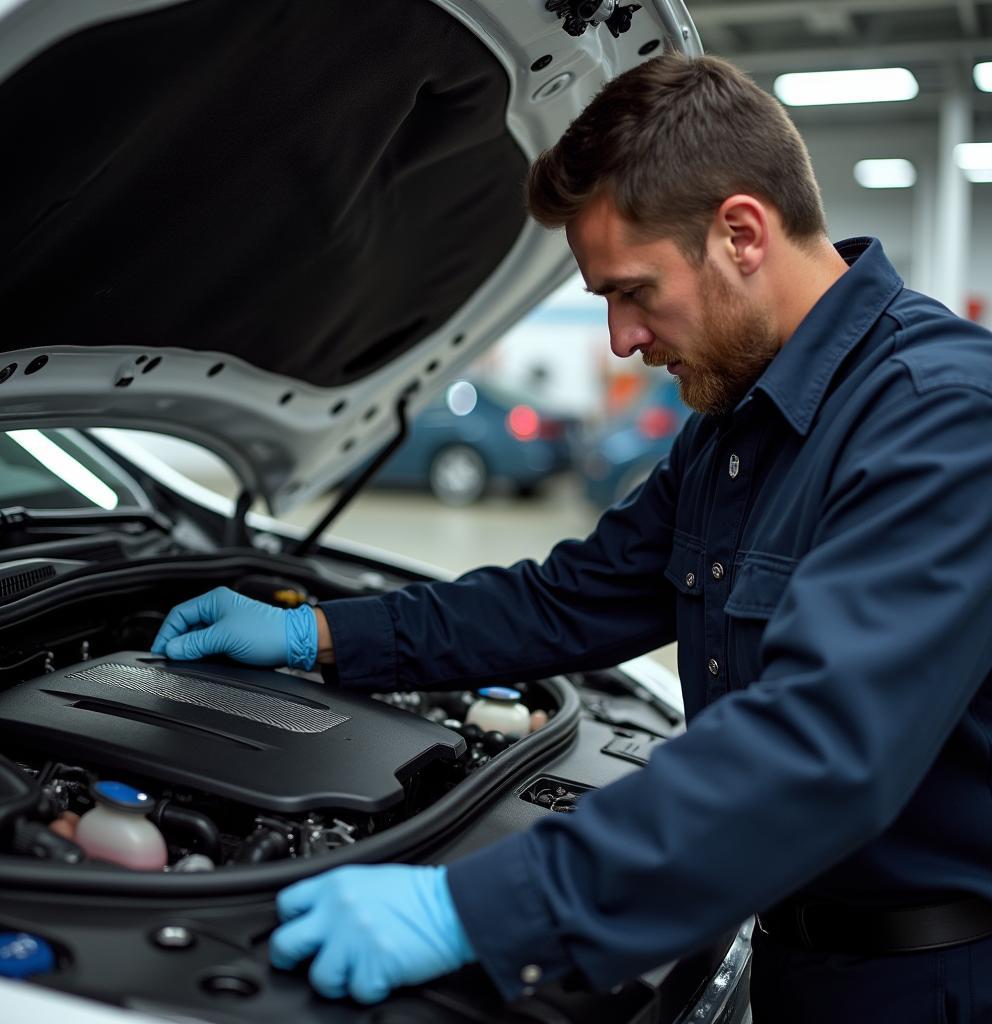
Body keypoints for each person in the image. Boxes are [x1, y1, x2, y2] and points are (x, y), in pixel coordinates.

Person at [152, 54, 992, 1022]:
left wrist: (469, 909)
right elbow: (568, 596)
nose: (621, 340)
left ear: (741, 234)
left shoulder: (941, 420)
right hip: (797, 952)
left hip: (932, 985)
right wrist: (318, 635)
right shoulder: (736, 428)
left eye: (631, 291)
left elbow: (820, 749)